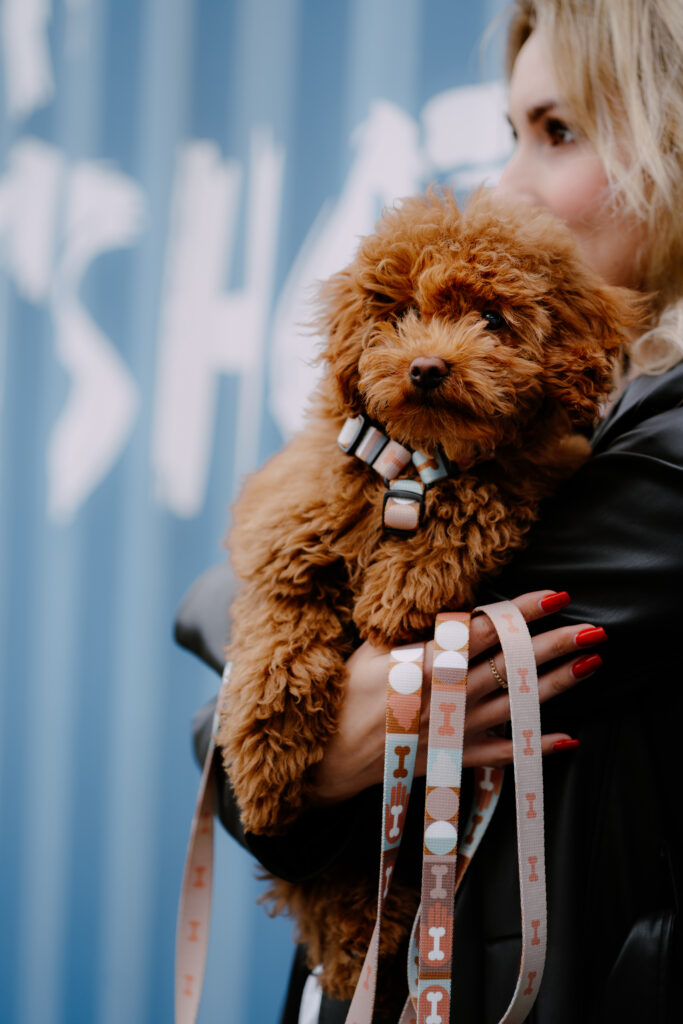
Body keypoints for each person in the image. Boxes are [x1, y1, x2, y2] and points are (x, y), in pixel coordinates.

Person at [184, 1, 683, 1020]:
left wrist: (291, 740)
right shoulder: (552, 417)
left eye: (558, 132)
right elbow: (233, 593)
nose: (507, 183)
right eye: (511, 134)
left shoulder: (660, 451)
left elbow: (369, 613)